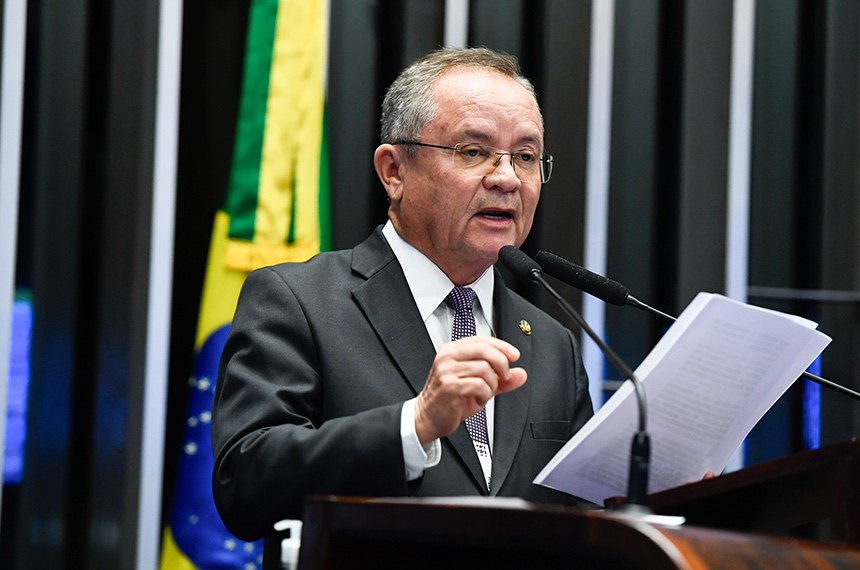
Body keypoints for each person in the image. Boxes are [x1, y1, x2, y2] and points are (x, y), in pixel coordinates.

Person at [211, 47, 594, 550]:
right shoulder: (299, 302)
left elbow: (589, 524)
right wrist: (413, 425)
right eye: (473, 151)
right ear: (394, 171)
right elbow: (245, 482)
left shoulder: (552, 342)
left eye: (525, 157)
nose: (506, 178)